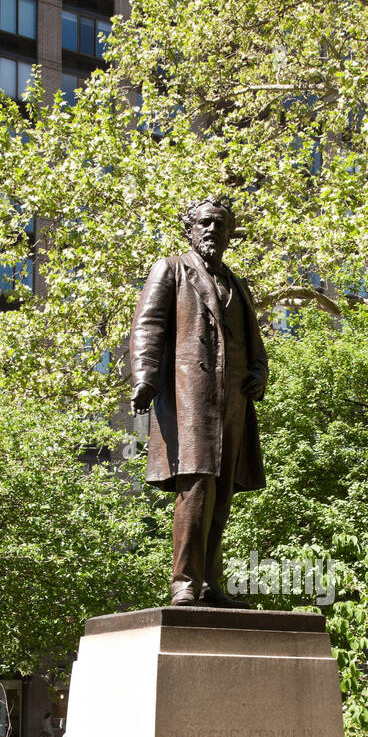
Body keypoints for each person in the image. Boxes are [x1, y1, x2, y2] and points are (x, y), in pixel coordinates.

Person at [129, 195, 268, 606]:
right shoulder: (171, 268)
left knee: (222, 490)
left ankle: (210, 582)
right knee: (197, 484)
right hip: (191, 398)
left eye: (220, 225)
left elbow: (254, 343)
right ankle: (184, 583)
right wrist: (145, 377)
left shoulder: (237, 283)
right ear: (190, 228)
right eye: (205, 223)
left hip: (233, 404)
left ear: (229, 234)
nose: (212, 231)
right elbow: (148, 326)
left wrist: (259, 374)